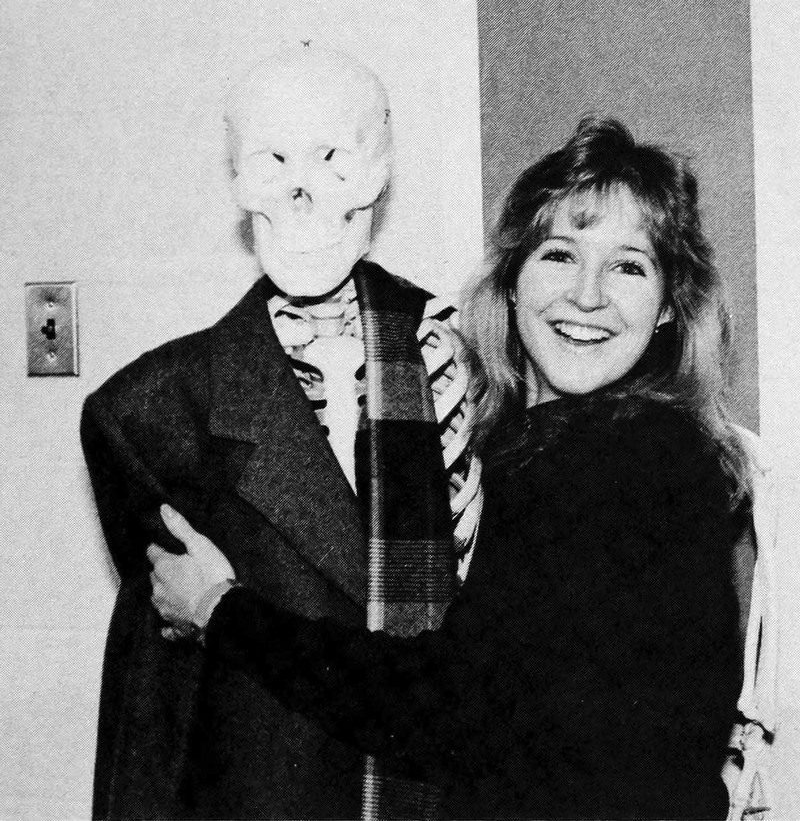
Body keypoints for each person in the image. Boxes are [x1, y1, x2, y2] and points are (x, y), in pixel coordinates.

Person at [149, 118, 751, 819]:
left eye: (628, 266)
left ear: (670, 306)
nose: (587, 296)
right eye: (560, 255)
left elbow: (449, 706)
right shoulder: (543, 444)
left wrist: (219, 609)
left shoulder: (631, 458)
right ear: (514, 281)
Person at [81, 45, 479, 820]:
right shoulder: (151, 410)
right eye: (273, 162)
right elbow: (154, 705)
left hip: (437, 785)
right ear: (239, 183)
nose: (301, 193)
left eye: (333, 161)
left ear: (378, 177)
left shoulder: (461, 364)